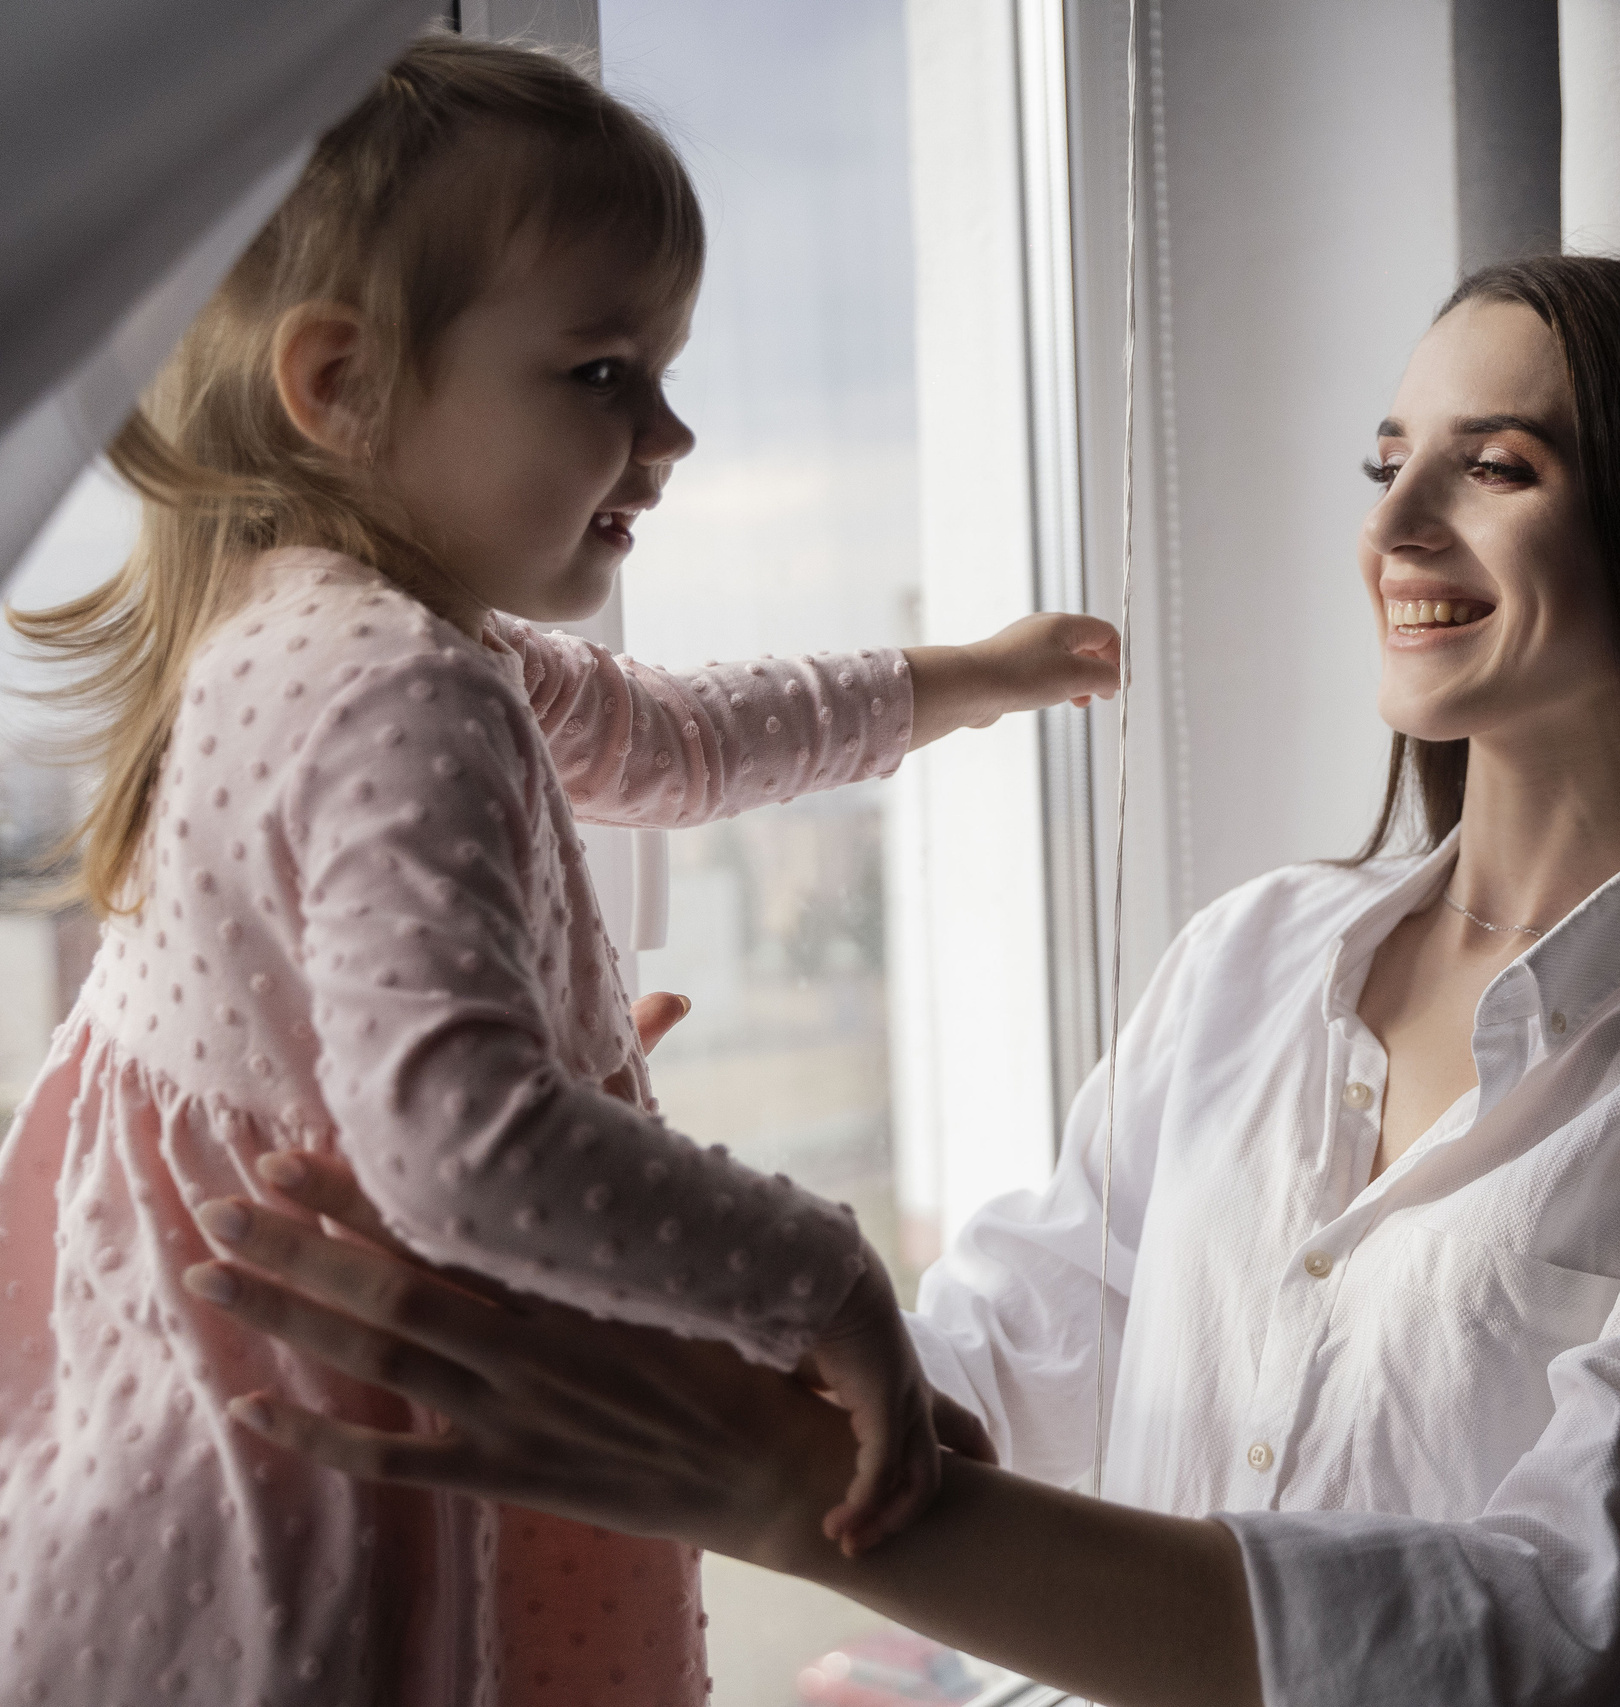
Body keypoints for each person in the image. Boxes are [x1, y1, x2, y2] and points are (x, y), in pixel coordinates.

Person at [187, 254, 1620, 1707]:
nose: (1395, 527)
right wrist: (587, 1216)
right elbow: (984, 1378)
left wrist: (788, 1502)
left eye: (1497, 466)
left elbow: (1557, 1643)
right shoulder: (1252, 962)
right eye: (1388, 463)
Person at [0, 33, 1116, 1707]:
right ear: (340, 381)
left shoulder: (312, 624)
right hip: (326, 1492)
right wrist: (824, 1284)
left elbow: (672, 744)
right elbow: (458, 1142)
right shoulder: (398, 681)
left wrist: (963, 680)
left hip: (193, 1439)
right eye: (602, 372)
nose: (669, 433)